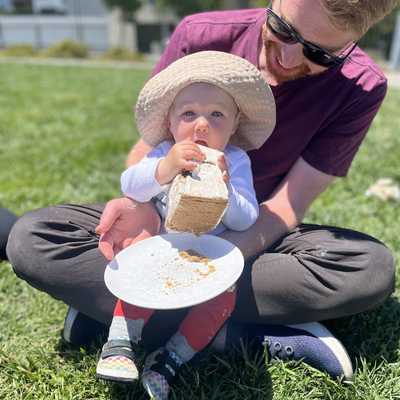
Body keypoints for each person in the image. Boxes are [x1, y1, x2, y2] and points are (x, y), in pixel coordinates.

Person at [6, 0, 398, 384]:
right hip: (161, 218)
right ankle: (235, 334)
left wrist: (215, 262)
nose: (290, 59)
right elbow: (147, 150)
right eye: (283, 30)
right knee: (33, 237)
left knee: (369, 268)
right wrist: (140, 206)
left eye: (320, 55)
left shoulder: (360, 86)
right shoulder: (202, 35)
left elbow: (287, 204)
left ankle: (118, 312)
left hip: (252, 233)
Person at [96, 51, 276, 399]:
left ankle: (171, 358)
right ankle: (120, 343)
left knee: (222, 300)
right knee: (137, 272)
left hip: (209, 257)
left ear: (235, 123)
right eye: (189, 114)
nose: (202, 125)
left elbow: (246, 218)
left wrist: (223, 188)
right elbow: (130, 185)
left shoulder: (236, 161)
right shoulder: (165, 151)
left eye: (217, 115)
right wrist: (164, 169)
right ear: (171, 122)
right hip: (165, 245)